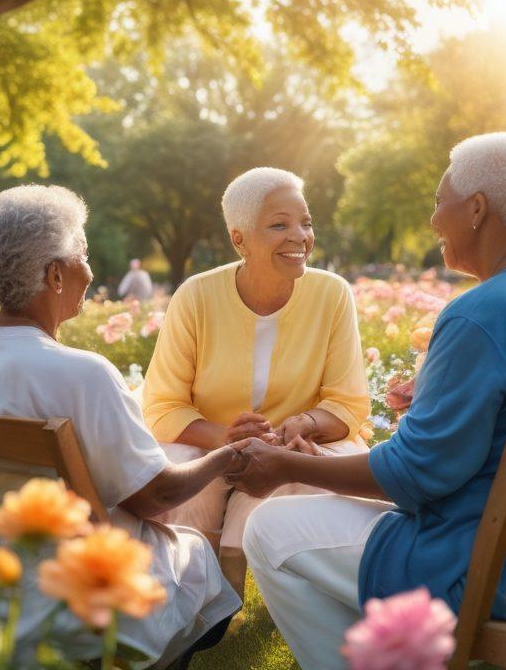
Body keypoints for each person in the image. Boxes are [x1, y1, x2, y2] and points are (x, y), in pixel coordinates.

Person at [231, 134, 506, 670]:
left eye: (437, 201)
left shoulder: (480, 312)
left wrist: (285, 467)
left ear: (476, 209)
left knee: (270, 529)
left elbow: (417, 476)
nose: (433, 220)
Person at [0, 186, 243, 669]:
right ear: (54, 274)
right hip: (61, 604)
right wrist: (227, 455)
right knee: (194, 554)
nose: (89, 271)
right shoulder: (83, 372)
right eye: (83, 254)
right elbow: (155, 497)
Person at [142, 167, 370, 595]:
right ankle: (192, 584)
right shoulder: (196, 295)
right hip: (211, 443)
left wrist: (305, 424)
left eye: (306, 222)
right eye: (279, 225)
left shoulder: (332, 293)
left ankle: (252, 574)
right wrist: (226, 439)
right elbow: (163, 406)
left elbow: (348, 404)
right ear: (239, 239)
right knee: (182, 468)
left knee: (329, 463)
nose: (299, 236)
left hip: (293, 445)